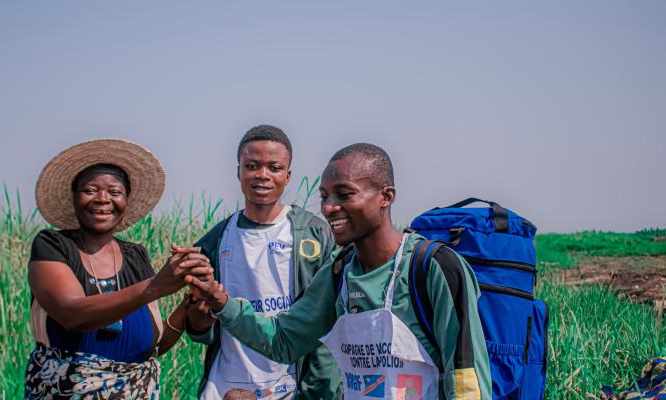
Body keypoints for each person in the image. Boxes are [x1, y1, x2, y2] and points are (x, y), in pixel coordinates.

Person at [187, 143, 492, 399]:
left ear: (386, 197)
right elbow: (283, 340)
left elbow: (467, 379)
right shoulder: (339, 273)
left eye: (344, 195)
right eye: (324, 196)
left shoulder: (433, 268)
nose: (329, 207)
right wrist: (220, 301)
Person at [24, 139, 212, 400]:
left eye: (114, 192)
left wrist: (188, 306)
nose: (103, 199)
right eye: (90, 190)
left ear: (126, 201)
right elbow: (72, 315)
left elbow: (149, 347)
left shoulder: (135, 256)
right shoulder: (54, 246)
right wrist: (156, 286)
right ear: (74, 197)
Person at [184, 125, 341, 399]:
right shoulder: (215, 240)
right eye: (252, 165)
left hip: (291, 386)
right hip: (226, 387)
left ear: (288, 175)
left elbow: (327, 326)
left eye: (274, 167)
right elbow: (202, 328)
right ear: (238, 171)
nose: (263, 176)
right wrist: (198, 323)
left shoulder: (316, 234)